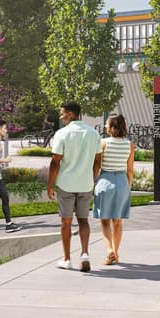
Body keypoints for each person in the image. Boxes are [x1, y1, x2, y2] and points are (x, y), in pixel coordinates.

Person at [47, 101, 101, 271]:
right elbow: (98, 161)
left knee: (66, 222)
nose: (60, 116)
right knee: (84, 220)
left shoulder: (62, 134)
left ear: (70, 114)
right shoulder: (93, 134)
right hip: (85, 184)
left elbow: (55, 161)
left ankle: (67, 259)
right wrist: (91, 178)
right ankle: (85, 253)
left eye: (62, 113)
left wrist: (50, 184)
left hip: (66, 184)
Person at [92, 113, 135, 264]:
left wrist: (92, 181)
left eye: (106, 123)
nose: (105, 126)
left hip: (105, 181)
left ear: (111, 126)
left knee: (105, 221)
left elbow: (97, 165)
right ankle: (116, 253)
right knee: (117, 221)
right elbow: (130, 170)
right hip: (122, 182)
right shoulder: (129, 144)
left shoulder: (103, 143)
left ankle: (109, 250)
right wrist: (128, 186)